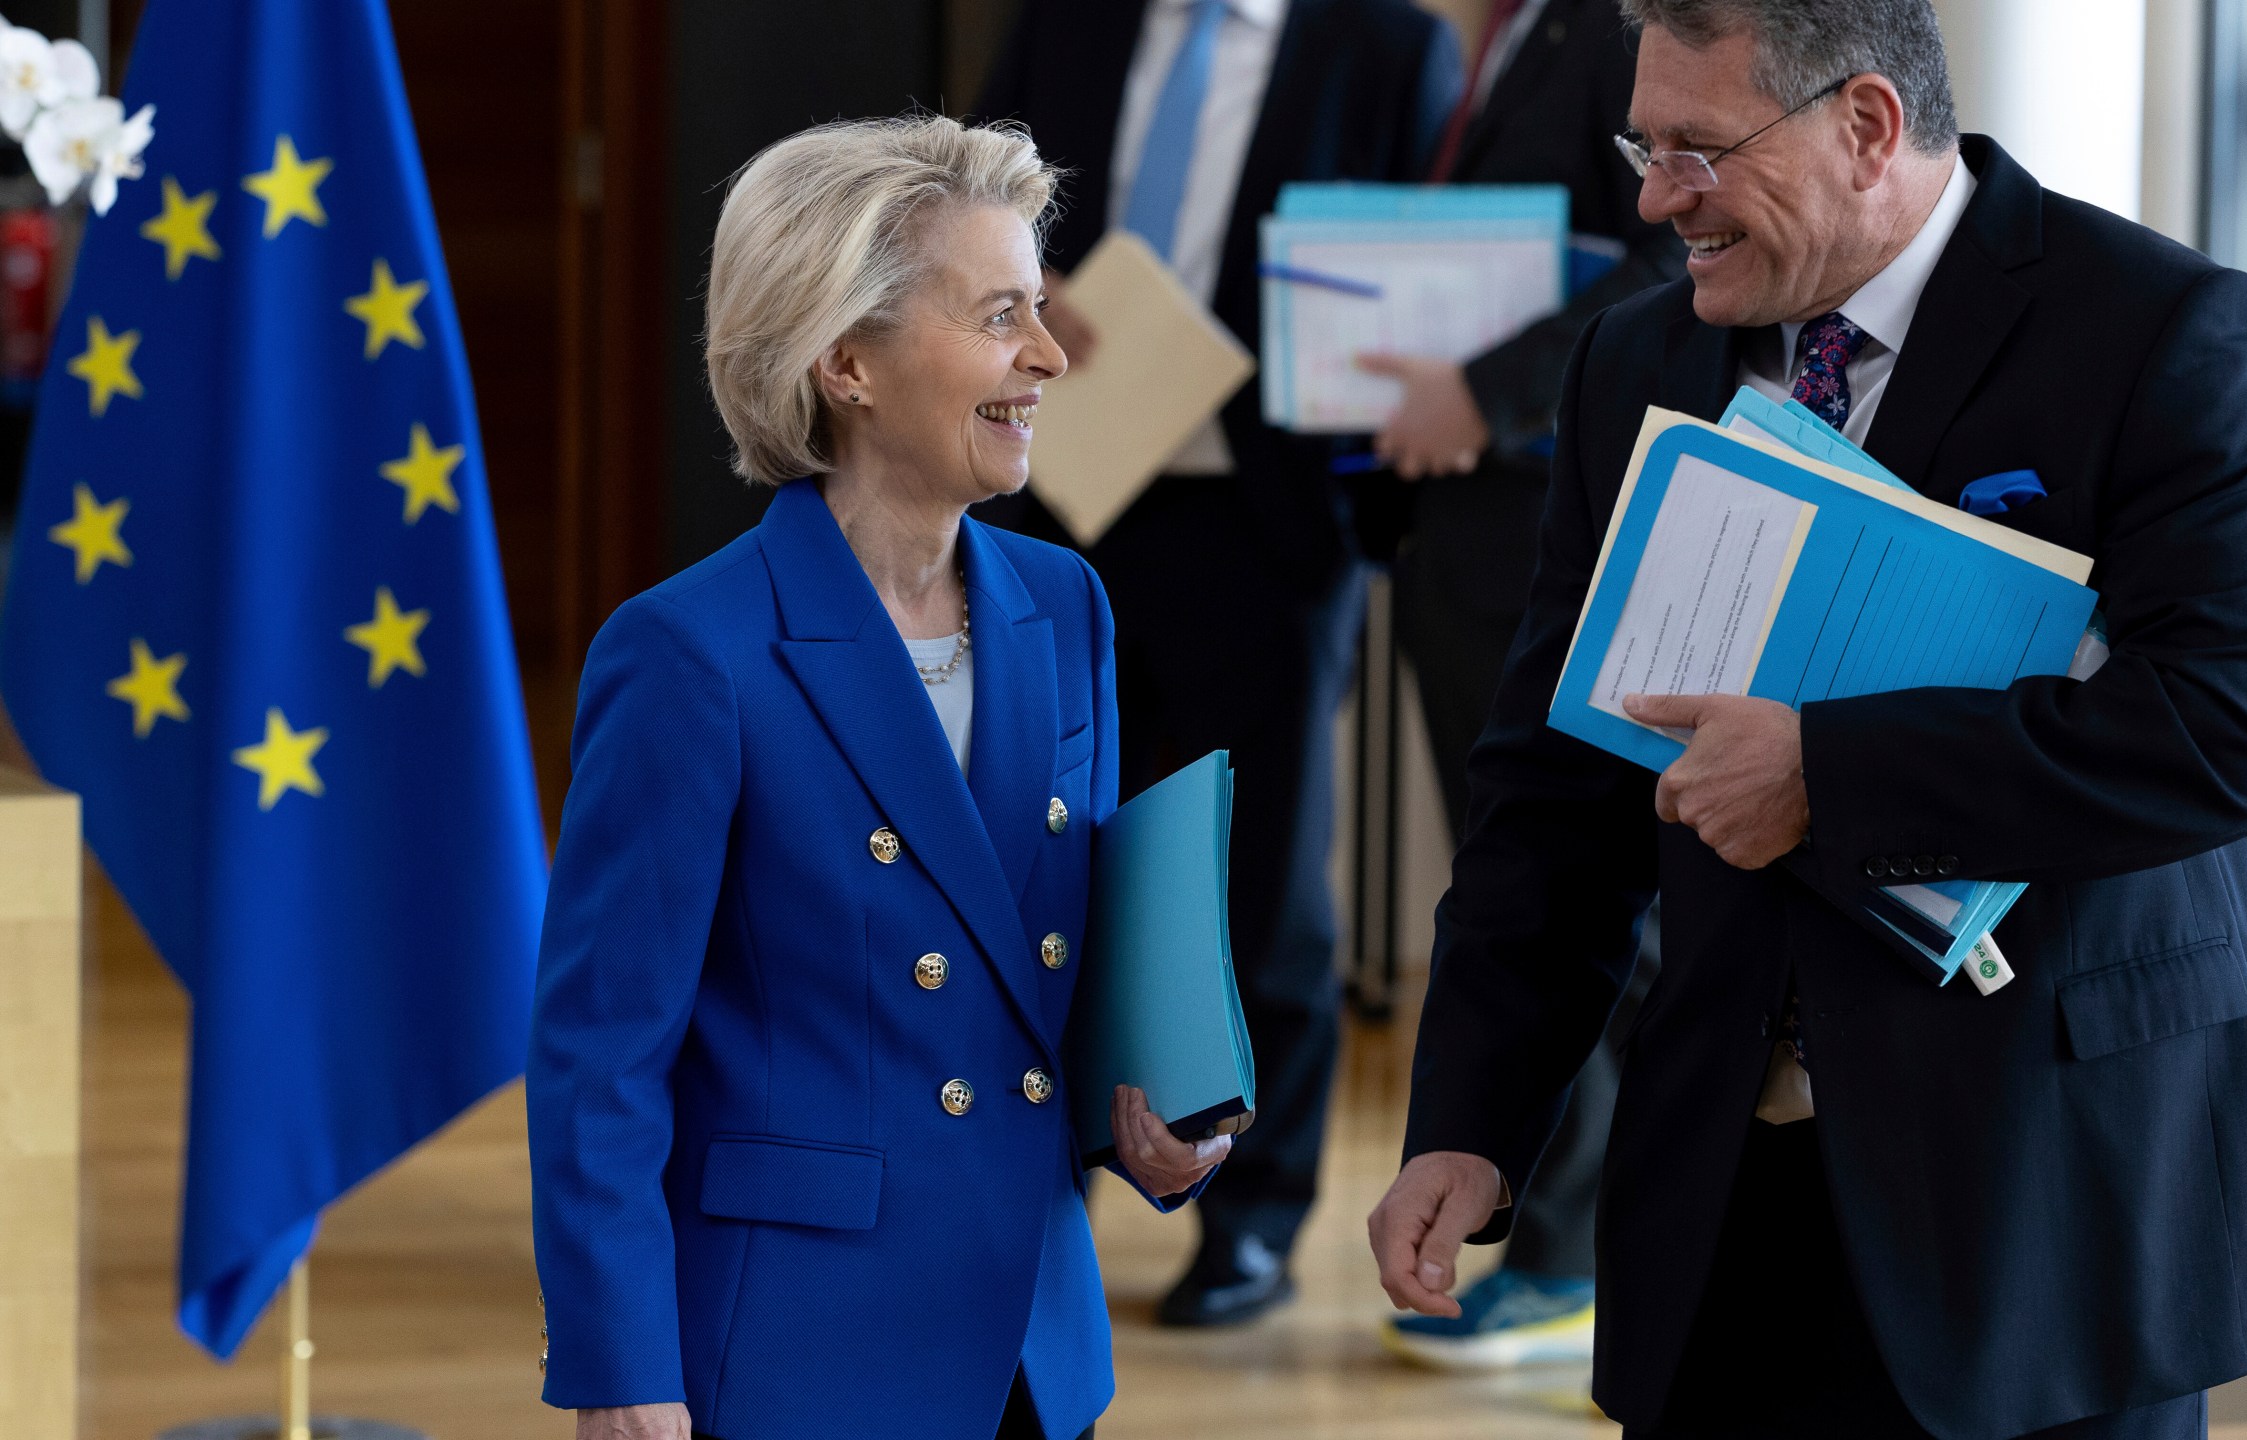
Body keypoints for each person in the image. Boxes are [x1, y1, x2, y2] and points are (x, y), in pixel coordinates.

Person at [1368, 1, 2247, 1436]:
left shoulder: (2159, 332)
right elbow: (1553, 796)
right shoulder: (1635, 363)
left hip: (2040, 1216)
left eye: (1696, 147)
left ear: (1867, 126)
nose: (1650, 195)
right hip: (1720, 1219)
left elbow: (2223, 730)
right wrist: (1470, 1121)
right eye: (1645, 140)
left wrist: (1827, 774)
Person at [526, 116, 1226, 1440]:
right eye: (1001, 315)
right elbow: (598, 1061)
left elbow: (1037, 988)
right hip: (796, 1355)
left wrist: (1152, 1113)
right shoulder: (687, 656)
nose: (1050, 356)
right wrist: (621, 1369)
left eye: (1042, 310)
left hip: (1031, 1344)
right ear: (847, 361)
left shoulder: (1067, 606)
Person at [974, 0, 1463, 1329]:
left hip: (1263, 524)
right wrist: (1023, 292)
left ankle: (1251, 1213)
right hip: (1060, 502)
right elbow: (963, 193)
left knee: (1262, 882)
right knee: (1036, 849)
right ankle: (1035, 1187)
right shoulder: (1068, 26)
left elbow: (1419, 275)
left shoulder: (1386, 46)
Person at [1354, 0, 1688, 1372]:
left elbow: (1665, 261)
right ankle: (1547, 1232)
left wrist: (1485, 395)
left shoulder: (1620, 40)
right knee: (1513, 876)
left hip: (1543, 510)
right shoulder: (1483, 45)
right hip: (1453, 533)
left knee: (1587, 901)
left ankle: (1564, 1253)